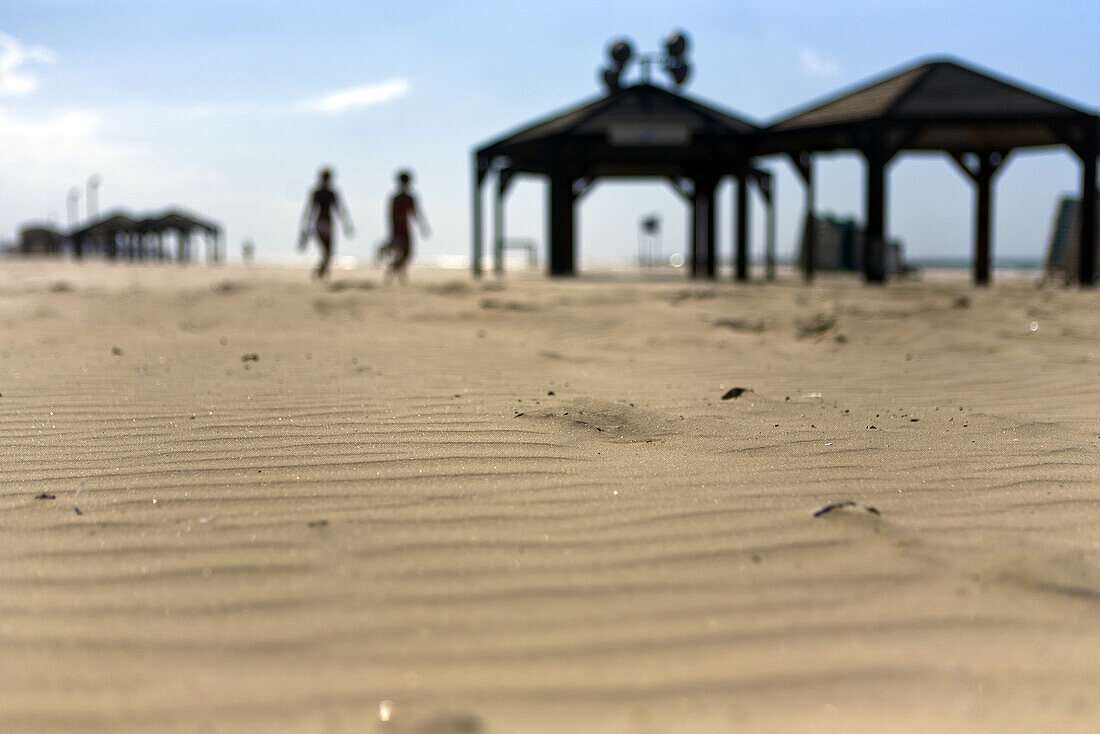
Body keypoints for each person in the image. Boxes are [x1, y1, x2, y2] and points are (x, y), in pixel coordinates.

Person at [299, 168, 354, 278]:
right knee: (326, 251)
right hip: (321, 223)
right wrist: (306, 226)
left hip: (327, 223)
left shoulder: (329, 193)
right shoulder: (319, 193)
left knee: (329, 252)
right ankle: (321, 272)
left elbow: (339, 210)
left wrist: (346, 224)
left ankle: (321, 271)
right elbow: (310, 210)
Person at [380, 170, 429, 283]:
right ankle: (398, 274)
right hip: (397, 230)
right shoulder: (395, 198)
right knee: (399, 253)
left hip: (406, 230)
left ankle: (394, 270)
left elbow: (416, 214)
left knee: (407, 254)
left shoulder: (410, 198)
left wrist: (423, 227)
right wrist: (392, 231)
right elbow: (390, 215)